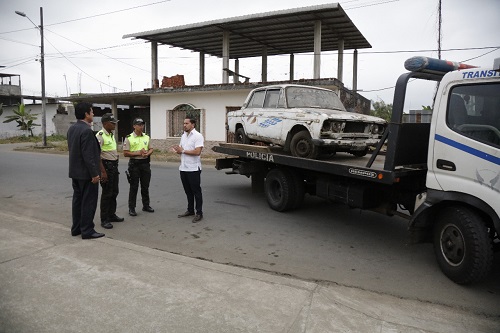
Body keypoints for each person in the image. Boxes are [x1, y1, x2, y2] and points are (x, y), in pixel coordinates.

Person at [67, 102, 105, 239]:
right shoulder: (86, 131)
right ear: (86, 114)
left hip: (75, 172)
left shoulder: (72, 129)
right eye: (92, 112)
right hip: (86, 174)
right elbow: (88, 156)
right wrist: (95, 174)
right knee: (88, 202)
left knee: (77, 201)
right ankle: (87, 230)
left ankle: (76, 228)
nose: (93, 114)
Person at [172, 117, 204, 223]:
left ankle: (199, 212)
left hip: (193, 168)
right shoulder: (183, 136)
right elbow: (181, 150)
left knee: (196, 191)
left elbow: (197, 152)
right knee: (188, 191)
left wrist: (183, 150)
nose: (184, 125)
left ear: (193, 125)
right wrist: (176, 150)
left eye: (187, 123)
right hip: (183, 168)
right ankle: (190, 210)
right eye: (184, 123)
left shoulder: (198, 136)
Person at [96, 113, 124, 229]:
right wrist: (103, 172)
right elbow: (97, 156)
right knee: (107, 194)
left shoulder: (111, 135)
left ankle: (112, 214)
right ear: (105, 123)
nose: (114, 125)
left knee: (114, 192)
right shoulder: (100, 135)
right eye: (112, 123)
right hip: (106, 167)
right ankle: (104, 219)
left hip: (113, 166)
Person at [123, 118, 154, 216]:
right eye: (139, 125)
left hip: (145, 163)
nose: (141, 126)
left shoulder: (147, 137)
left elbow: (151, 148)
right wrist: (138, 153)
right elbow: (125, 153)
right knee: (134, 187)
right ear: (134, 126)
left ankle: (146, 205)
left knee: (145, 186)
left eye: (142, 125)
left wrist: (147, 153)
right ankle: (131, 208)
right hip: (134, 164)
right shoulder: (129, 138)